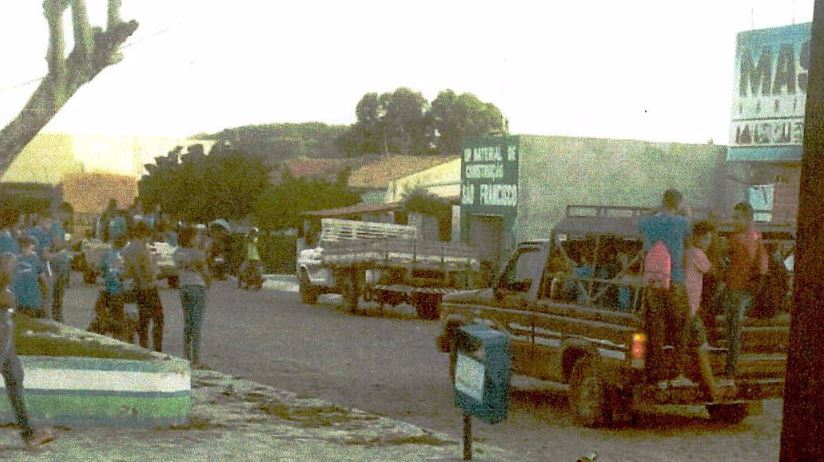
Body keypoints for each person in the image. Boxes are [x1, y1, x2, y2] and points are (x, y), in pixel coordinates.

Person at [0, 252, 55, 449]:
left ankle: (29, 432)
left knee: (14, 375)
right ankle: (29, 432)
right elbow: (5, 270)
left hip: (5, 318)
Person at [638, 189, 691, 383]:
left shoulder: (650, 223)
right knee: (680, 326)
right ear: (678, 203)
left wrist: (655, 210)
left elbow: (638, 222)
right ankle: (677, 372)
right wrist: (685, 212)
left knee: (657, 328)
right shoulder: (681, 222)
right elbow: (690, 230)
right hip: (675, 280)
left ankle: (658, 375)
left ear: (662, 202)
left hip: (653, 282)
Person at [683, 221, 734, 401]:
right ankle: (713, 389)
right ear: (696, 237)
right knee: (702, 348)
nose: (707, 242)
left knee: (694, 346)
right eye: (705, 239)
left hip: (686, 307)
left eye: (709, 239)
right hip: (691, 309)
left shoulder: (687, 253)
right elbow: (716, 273)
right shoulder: (697, 254)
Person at [723, 202, 768, 377]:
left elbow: (729, 257)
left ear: (748, 218)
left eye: (737, 218)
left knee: (733, 328)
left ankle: (730, 370)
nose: (733, 221)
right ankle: (731, 368)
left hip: (736, 287)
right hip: (744, 288)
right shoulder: (756, 235)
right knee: (734, 328)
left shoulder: (739, 238)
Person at [123, 222, 164, 352]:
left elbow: (127, 271)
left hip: (137, 288)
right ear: (144, 234)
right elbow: (147, 271)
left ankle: (143, 347)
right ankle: (157, 349)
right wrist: (156, 270)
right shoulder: (142, 249)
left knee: (143, 320)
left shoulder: (127, 250)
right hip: (149, 287)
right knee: (158, 318)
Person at [173, 226, 210, 368]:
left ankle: (186, 355)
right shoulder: (199, 253)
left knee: (187, 323)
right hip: (198, 286)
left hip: (184, 287)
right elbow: (204, 270)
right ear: (191, 238)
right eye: (197, 236)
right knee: (197, 324)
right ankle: (196, 358)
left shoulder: (177, 252)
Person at [95, 235, 128, 341]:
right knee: (118, 318)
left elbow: (101, 271)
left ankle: (103, 335)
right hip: (121, 292)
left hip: (108, 291)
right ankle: (118, 338)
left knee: (102, 314)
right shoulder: (125, 255)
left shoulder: (106, 255)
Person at [12, 236, 48, 319]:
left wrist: (44, 299)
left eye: (26, 246)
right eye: (22, 246)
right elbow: (43, 280)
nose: (24, 248)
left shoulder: (35, 260)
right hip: (22, 301)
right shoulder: (15, 259)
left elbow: (43, 280)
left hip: (29, 301)